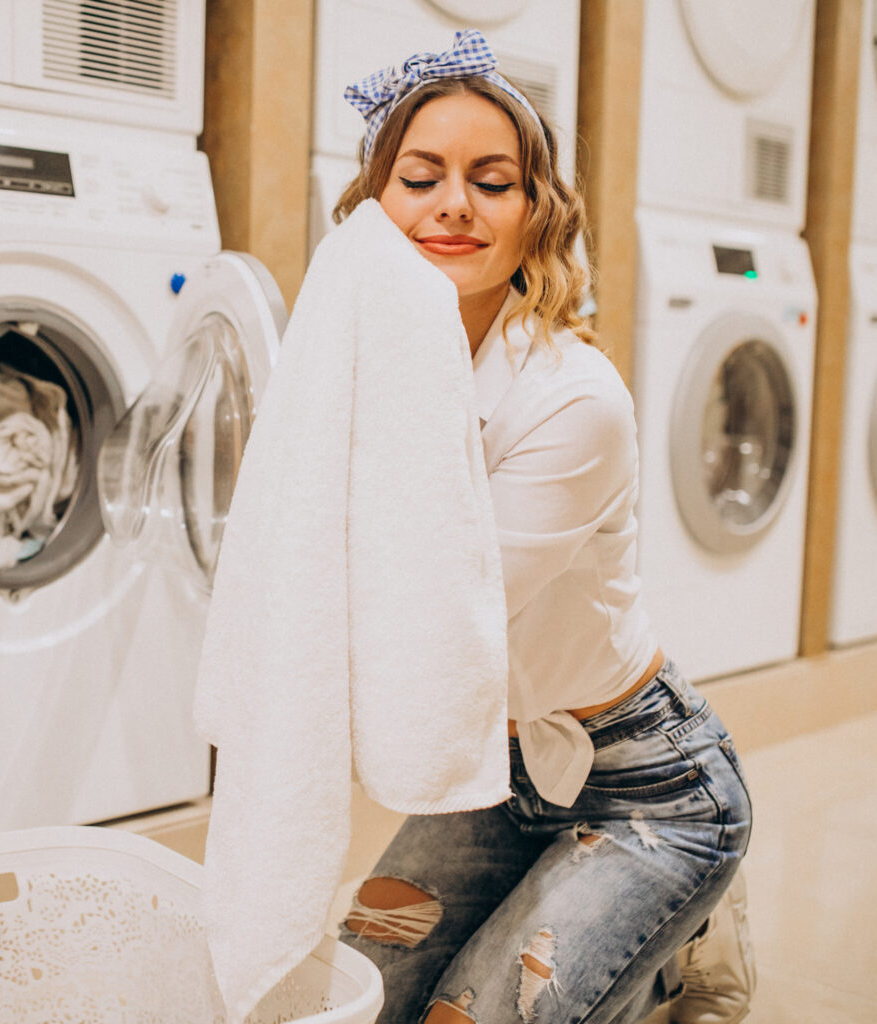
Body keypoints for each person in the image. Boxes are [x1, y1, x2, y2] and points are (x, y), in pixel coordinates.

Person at [330, 32, 754, 1024]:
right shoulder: (365, 368)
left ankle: (664, 947)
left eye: (492, 180)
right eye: (421, 176)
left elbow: (434, 612)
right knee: (361, 992)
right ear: (373, 208)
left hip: (649, 784)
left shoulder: (574, 400)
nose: (453, 205)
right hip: (501, 768)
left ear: (536, 215)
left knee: (469, 1017)